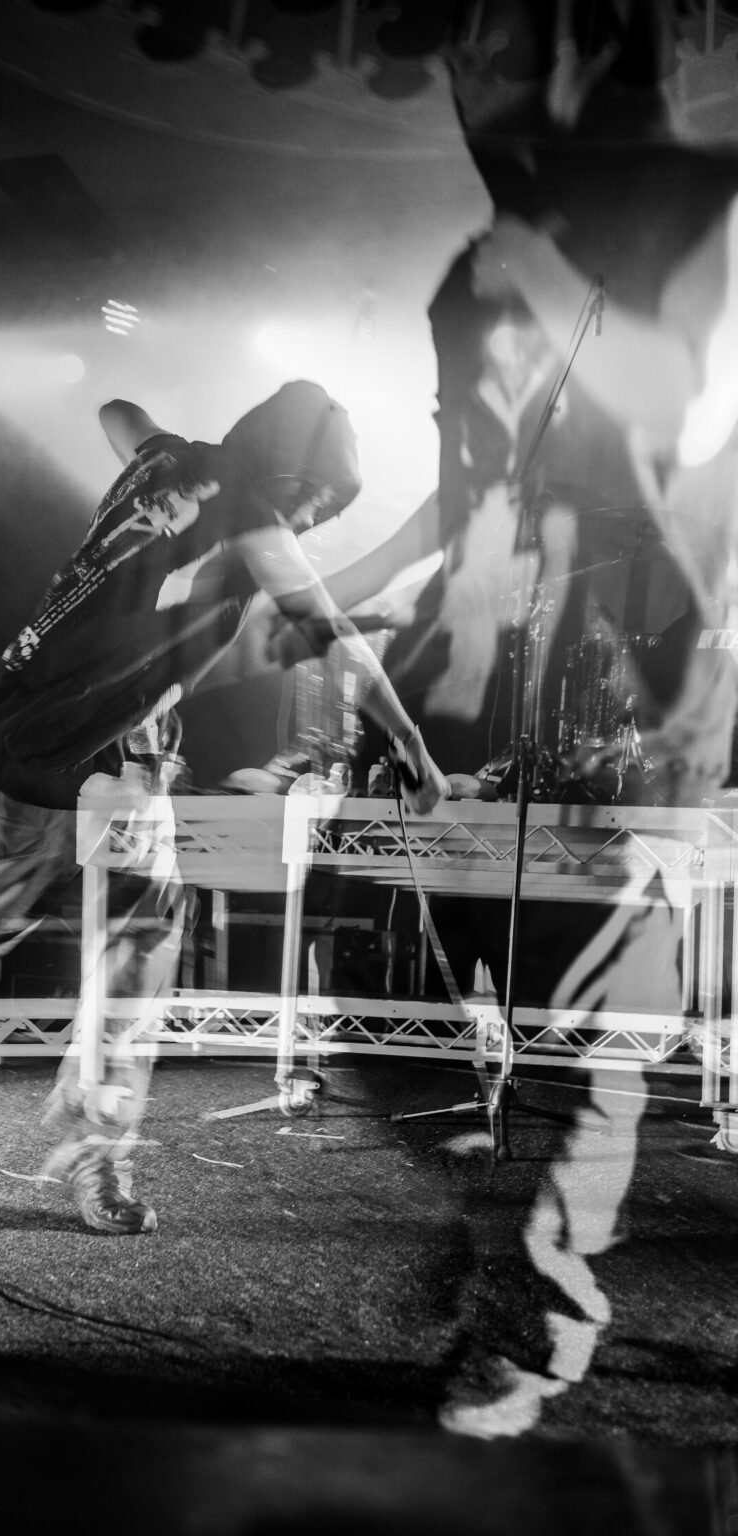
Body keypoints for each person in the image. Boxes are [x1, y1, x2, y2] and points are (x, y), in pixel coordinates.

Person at [0, 379, 448, 1235]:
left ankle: (99, 1152)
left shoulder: (169, 460)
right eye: (317, 502)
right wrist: (408, 743)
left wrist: (167, 474)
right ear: (285, 474)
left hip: (126, 764)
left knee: (138, 956)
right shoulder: (254, 515)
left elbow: (118, 414)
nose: (313, 522)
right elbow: (328, 626)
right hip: (32, 764)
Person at [391, 0, 738, 1438]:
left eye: (506, 41)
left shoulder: (684, 215)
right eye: (460, 47)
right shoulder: (472, 276)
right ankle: (511, 1262)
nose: (474, 71)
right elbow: (461, 486)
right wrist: (362, 597)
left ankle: (529, 1327)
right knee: (481, 1036)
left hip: (627, 689)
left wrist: (538, 264)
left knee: (584, 1047)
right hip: (494, 701)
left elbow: (675, 404)